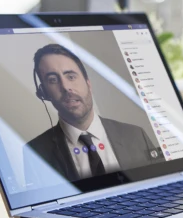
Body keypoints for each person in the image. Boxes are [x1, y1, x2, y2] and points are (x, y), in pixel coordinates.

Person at [24, 44, 161, 185]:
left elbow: (161, 188)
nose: (65, 87)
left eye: (71, 76)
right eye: (52, 80)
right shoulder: (34, 154)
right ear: (44, 93)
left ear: (88, 83)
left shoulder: (136, 135)